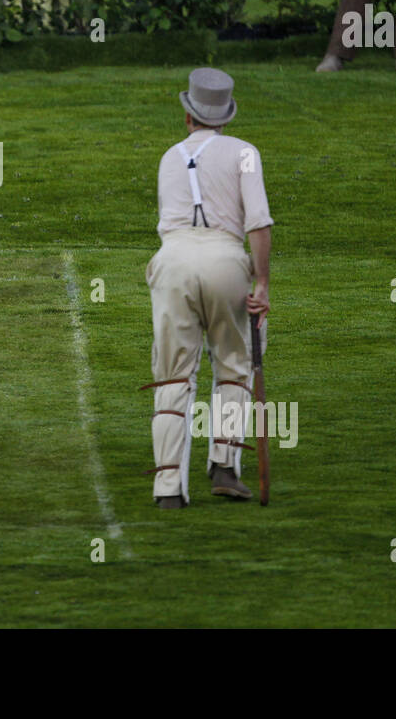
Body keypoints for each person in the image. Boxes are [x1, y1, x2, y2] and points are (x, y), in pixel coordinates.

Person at [146, 69, 271, 509]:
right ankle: (223, 466)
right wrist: (262, 282)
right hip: (225, 261)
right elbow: (257, 224)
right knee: (235, 366)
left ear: (188, 116)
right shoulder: (245, 154)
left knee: (173, 376)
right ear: (226, 116)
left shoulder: (168, 157)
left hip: (173, 262)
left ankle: (167, 490)